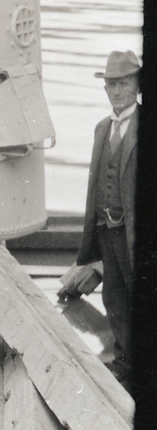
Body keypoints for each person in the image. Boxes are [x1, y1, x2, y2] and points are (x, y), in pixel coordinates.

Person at [58, 50, 139, 381]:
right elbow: (96, 185)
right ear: (105, 89)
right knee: (114, 298)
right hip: (107, 230)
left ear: (137, 85)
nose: (117, 91)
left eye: (124, 83)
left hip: (135, 233)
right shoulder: (102, 128)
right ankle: (124, 363)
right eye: (111, 85)